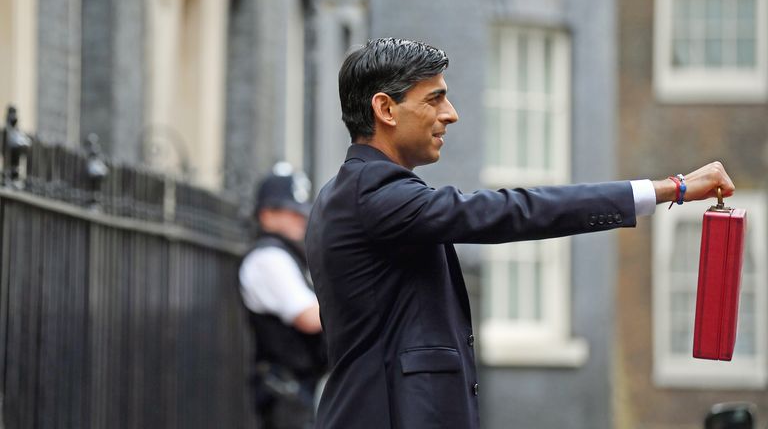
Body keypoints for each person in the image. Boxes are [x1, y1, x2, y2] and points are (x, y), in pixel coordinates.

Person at [304, 38, 735, 429]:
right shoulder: (374, 194)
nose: (450, 114)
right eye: (434, 99)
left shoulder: (357, 192)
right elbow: (513, 212)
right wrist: (668, 189)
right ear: (385, 109)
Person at [239, 162, 326, 429]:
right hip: (285, 391)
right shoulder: (268, 258)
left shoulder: (285, 253)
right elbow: (308, 317)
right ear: (267, 214)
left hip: (297, 388)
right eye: (290, 212)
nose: (300, 219)